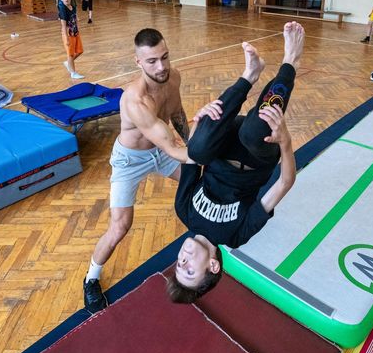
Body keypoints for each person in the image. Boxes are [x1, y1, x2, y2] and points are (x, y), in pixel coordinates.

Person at [167, 22, 304, 303]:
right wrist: (286, 142)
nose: (183, 261)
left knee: (199, 145)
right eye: (189, 270)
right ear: (213, 266)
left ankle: (250, 74)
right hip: (257, 154)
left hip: (222, 143)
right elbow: (285, 183)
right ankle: (290, 61)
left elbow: (193, 156)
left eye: (178, 265)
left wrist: (200, 119)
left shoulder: (184, 211)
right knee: (254, 131)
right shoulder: (235, 235)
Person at [83, 28, 191, 314]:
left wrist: (192, 141)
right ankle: (91, 278)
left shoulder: (173, 76)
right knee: (121, 226)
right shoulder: (136, 100)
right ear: (138, 63)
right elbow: (171, 146)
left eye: (165, 57)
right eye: (152, 61)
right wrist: (203, 152)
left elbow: (177, 113)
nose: (162, 66)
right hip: (130, 160)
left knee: (197, 183)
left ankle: (206, 239)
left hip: (162, 150)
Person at [58, 0, 84, 79]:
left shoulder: (72, 6)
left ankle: (68, 62)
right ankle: (73, 73)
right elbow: (63, 25)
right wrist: (66, 38)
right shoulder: (63, 11)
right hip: (68, 34)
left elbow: (75, 18)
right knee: (70, 54)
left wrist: (78, 29)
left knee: (80, 51)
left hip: (75, 32)